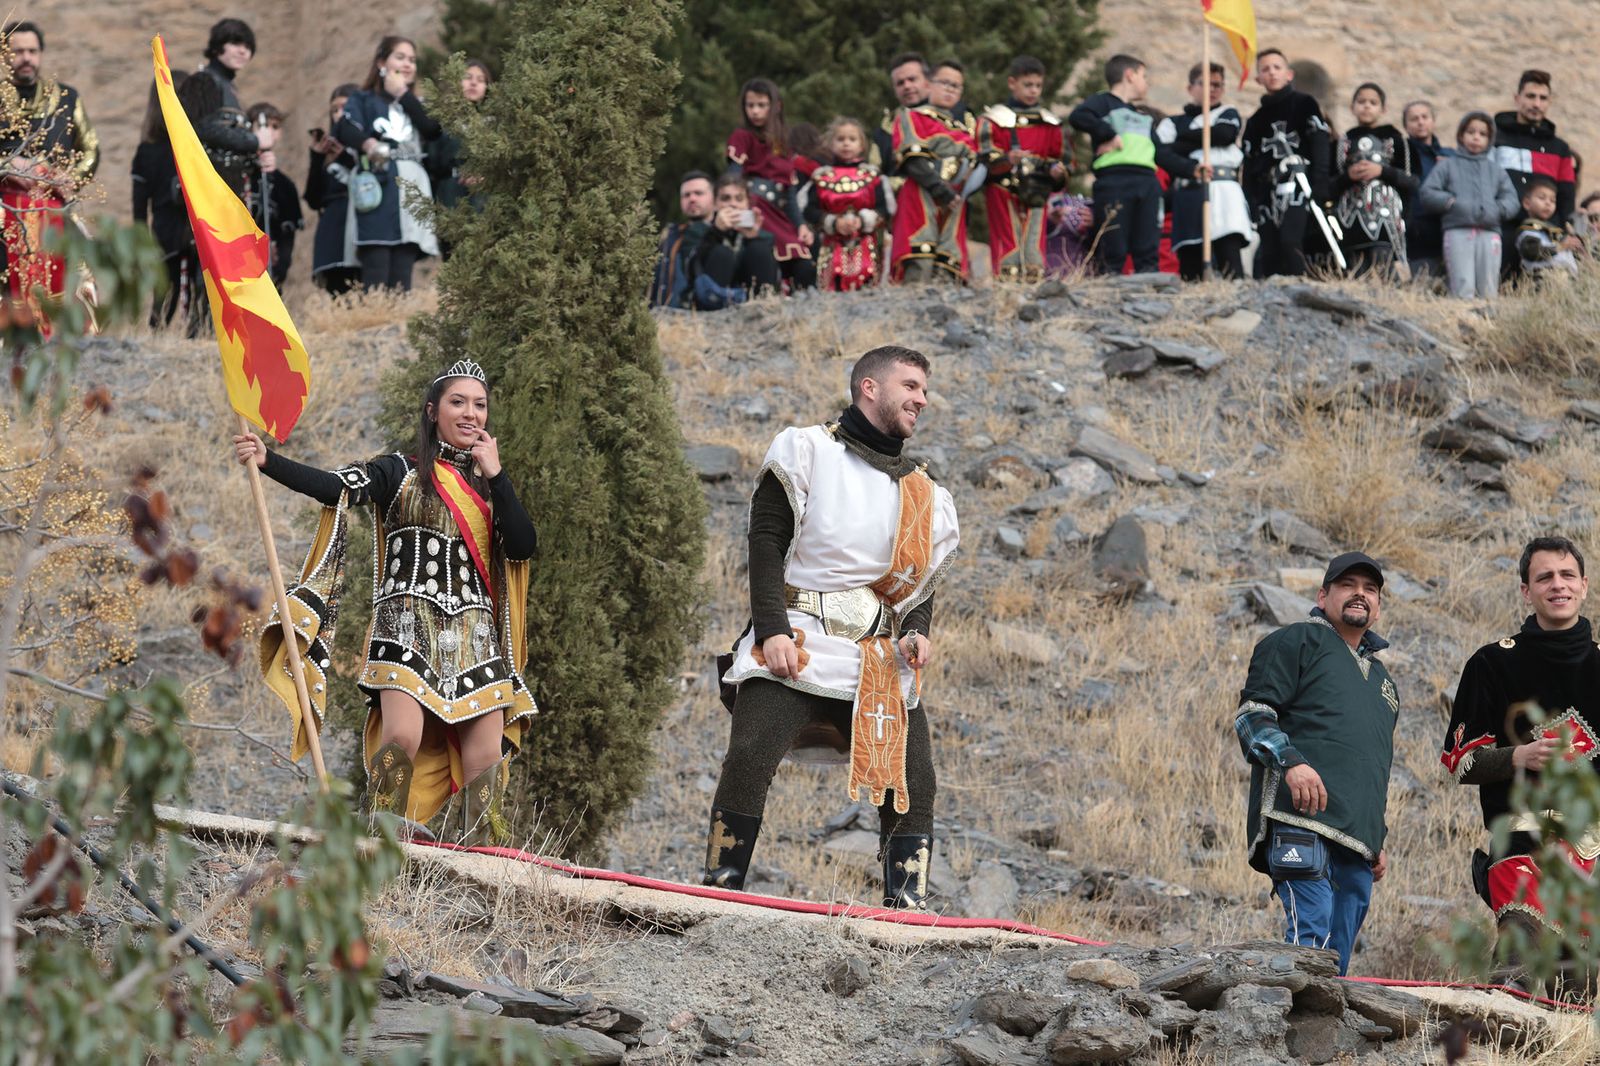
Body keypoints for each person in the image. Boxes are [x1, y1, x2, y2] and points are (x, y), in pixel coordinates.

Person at [236, 359, 538, 844]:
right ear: (432, 411)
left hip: (476, 635)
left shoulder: (490, 489)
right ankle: (379, 839)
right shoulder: (398, 471)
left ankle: (483, 859)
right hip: (406, 625)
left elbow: (523, 546)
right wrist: (269, 460)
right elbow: (335, 486)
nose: (470, 413)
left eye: (480, 405)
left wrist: (498, 476)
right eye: (458, 402)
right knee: (402, 735)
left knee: (485, 758)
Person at [705, 345, 959, 907]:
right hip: (798, 634)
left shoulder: (924, 491)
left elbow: (919, 585)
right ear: (870, 387)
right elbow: (766, 540)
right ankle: (719, 890)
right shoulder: (807, 450)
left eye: (924, 389)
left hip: (876, 654)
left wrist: (916, 630)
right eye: (911, 386)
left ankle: (905, 911)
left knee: (914, 779)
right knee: (750, 753)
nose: (922, 399)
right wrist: (770, 628)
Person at [1440, 537, 1598, 991]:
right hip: (1522, 837)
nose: (1558, 585)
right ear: (1527, 591)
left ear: (1584, 585)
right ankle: (1501, 1034)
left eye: (1567, 575)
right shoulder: (1493, 662)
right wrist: (1518, 756)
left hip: (1593, 849)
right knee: (1517, 965)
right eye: (1544, 577)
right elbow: (1459, 763)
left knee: (1581, 988)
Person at [1234, 551, 1398, 976]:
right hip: (1300, 816)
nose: (1360, 594)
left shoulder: (1384, 683)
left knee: (1338, 956)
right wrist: (1291, 763)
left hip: (1357, 839)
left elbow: (1373, 765)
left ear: (1378, 606)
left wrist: (1376, 836)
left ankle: (1321, 1018)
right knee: (1312, 933)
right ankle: (1289, 1011)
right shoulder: (1295, 641)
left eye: (1370, 589)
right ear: (1323, 596)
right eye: (1348, 585)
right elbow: (1252, 716)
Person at [0, 19, 99, 304]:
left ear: (40, 53)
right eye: (18, 52)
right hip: (4, 212)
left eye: (32, 51)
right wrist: (6, 166)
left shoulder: (67, 99)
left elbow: (91, 149)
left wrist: (70, 180)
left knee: (78, 281)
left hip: (57, 209)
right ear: (5, 55)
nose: (26, 58)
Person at [336, 35, 441, 292]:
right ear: (382, 63)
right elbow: (345, 128)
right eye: (400, 57)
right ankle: (376, 312)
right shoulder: (362, 99)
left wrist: (403, 94)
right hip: (377, 183)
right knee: (377, 254)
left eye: (412, 60)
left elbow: (432, 129)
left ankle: (399, 315)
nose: (407, 64)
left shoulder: (417, 103)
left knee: (404, 260)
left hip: (411, 185)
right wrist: (368, 144)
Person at [1155, 61, 1250, 281]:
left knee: (1228, 253)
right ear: (1191, 88)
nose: (1212, 90)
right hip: (1189, 191)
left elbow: (1224, 134)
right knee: (1191, 257)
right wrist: (1190, 160)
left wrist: (1183, 139)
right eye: (1206, 84)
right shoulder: (1172, 123)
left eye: (1217, 85)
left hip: (1224, 192)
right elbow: (1162, 153)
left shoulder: (1227, 113)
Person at [1241, 48, 1331, 279]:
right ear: (1258, 79)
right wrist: (1251, 200)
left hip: (1298, 184)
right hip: (1267, 192)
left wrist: (1320, 182)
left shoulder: (1304, 104)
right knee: (1269, 248)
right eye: (1265, 69)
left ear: (1289, 74)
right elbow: (1249, 165)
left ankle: (1300, 288)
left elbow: (1320, 142)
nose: (1272, 73)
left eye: (1277, 67)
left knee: (1291, 241)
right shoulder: (1255, 121)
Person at [1069, 54, 1162, 276]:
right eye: (1143, 76)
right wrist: (1108, 134)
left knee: (1147, 242)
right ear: (1129, 75)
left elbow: (1162, 152)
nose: (1147, 82)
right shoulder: (1103, 102)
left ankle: (1148, 282)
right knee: (1113, 243)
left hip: (1147, 182)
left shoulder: (1142, 116)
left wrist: (1190, 167)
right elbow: (1078, 116)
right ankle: (1108, 285)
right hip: (1114, 182)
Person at [975, 56, 1066, 281]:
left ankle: (1033, 288)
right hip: (1003, 191)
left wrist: (1057, 172)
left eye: (1038, 85)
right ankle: (1006, 291)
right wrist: (1007, 159)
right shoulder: (993, 120)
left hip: (1036, 193)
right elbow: (984, 157)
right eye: (1028, 85)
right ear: (1012, 83)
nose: (1033, 91)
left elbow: (1060, 159)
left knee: (1034, 248)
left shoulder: (1050, 123)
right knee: (1008, 244)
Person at [889, 61, 980, 283]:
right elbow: (913, 160)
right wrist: (940, 190)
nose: (950, 89)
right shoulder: (912, 117)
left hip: (954, 205)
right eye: (944, 83)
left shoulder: (965, 131)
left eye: (955, 86)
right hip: (922, 198)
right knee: (920, 260)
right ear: (929, 84)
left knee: (948, 266)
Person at [1418, 111, 1520, 300]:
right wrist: (1451, 203)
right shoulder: (1447, 166)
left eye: (1482, 134)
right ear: (1461, 135)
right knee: (1462, 283)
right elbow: (1428, 192)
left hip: (1490, 233)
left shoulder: (1496, 170)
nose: (1476, 137)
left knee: (1488, 286)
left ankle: (1486, 318)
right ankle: (1461, 316)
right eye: (1471, 132)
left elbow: (1512, 199)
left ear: (1490, 139)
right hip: (1457, 231)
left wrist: (1498, 210)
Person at [726, 78, 815, 292]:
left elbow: (789, 192)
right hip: (754, 208)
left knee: (802, 263)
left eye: (762, 105)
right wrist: (737, 209)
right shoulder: (741, 136)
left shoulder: (783, 142)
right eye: (750, 105)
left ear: (776, 106)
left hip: (780, 213)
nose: (755, 111)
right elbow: (733, 180)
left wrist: (800, 224)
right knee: (764, 261)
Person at [176, 19, 273, 203]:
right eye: (236, 43)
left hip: (228, 190)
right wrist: (255, 141)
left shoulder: (229, 87)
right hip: (207, 191)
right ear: (217, 46)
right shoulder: (203, 80)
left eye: (248, 46)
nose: (243, 51)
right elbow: (204, 129)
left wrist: (257, 160)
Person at [1495, 70, 1577, 281]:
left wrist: (1565, 231)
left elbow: (1567, 195)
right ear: (1517, 98)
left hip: (1545, 237)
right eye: (1531, 96)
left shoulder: (1560, 148)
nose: (1536, 104)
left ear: (1549, 102)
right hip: (1503, 231)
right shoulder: (1495, 139)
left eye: (1543, 98)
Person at [1331, 83, 1416, 278]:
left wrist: (1382, 171)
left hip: (1387, 221)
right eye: (1361, 102)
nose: (1367, 106)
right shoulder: (1342, 143)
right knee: (1356, 272)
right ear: (1352, 107)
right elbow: (1329, 185)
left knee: (1385, 271)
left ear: (1383, 109)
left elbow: (1411, 182)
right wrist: (1348, 176)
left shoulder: (1397, 140)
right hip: (1350, 221)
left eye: (1373, 102)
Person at [801, 117, 891, 292]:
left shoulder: (873, 177)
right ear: (831, 144)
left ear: (862, 145)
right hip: (830, 247)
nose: (846, 144)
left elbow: (884, 209)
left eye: (852, 139)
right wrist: (833, 222)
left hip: (867, 246)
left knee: (869, 287)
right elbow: (809, 210)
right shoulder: (821, 177)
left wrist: (863, 221)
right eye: (840, 139)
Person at [132, 75, 189, 327]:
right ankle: (158, 331)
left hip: (190, 225)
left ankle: (193, 332)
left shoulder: (195, 147)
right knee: (166, 290)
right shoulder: (148, 151)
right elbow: (139, 205)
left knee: (193, 286)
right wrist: (142, 240)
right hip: (166, 229)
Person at [427, 58, 491, 261]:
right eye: (468, 77)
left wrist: (485, 175)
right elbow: (432, 161)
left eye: (480, 80)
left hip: (485, 199)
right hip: (450, 194)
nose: (473, 83)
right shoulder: (442, 120)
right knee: (454, 257)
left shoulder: (495, 122)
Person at [303, 83, 361, 296]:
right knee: (338, 291)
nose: (339, 114)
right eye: (334, 110)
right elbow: (313, 199)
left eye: (345, 108)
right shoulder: (327, 152)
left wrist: (345, 157)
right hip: (332, 227)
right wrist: (317, 157)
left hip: (359, 223)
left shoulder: (368, 143)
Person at [243, 103, 302, 289]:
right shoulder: (240, 176)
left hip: (270, 264)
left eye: (274, 126)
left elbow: (288, 230)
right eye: (261, 126)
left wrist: (281, 266)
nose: (267, 131)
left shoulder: (285, 185)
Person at [650, 170, 716, 310]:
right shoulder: (671, 234)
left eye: (698, 193)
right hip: (665, 315)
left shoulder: (725, 234)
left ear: (714, 198)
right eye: (686, 195)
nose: (692, 199)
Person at [1402, 101, 1452, 281]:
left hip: (1447, 228)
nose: (1420, 122)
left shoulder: (1450, 156)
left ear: (1433, 121)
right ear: (1406, 126)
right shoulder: (1402, 156)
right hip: (1416, 232)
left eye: (1425, 117)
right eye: (1414, 119)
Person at [872, 53, 933, 179]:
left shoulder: (951, 117)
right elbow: (875, 174)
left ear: (928, 81)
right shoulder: (885, 130)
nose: (907, 86)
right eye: (900, 83)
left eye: (912, 79)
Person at [1514, 174, 1583, 278]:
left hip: (1564, 278)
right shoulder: (1528, 230)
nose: (1548, 203)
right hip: (1541, 277)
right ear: (1527, 203)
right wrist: (1560, 246)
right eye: (1542, 198)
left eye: (1552, 200)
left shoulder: (1553, 229)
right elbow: (1531, 252)